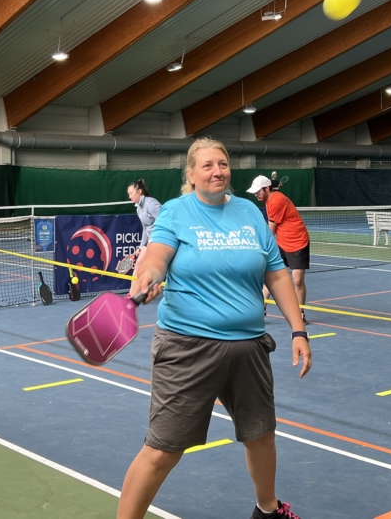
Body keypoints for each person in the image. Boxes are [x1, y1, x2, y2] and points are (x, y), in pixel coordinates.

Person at [118, 138, 310, 519]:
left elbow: (276, 273)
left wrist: (299, 330)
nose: (216, 171)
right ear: (190, 173)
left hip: (249, 347)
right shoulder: (175, 212)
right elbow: (155, 259)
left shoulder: (250, 213)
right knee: (163, 448)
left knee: (260, 435)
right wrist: (148, 277)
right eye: (206, 165)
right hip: (188, 348)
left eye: (222, 164)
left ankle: (267, 511)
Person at [247, 175, 310, 324]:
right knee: (270, 275)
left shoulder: (276, 200)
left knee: (297, 280)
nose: (256, 194)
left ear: (267, 189)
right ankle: (260, 310)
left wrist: (259, 246)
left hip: (298, 241)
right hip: (282, 241)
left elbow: (271, 230)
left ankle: (300, 312)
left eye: (258, 191)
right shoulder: (269, 199)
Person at [127, 179, 162, 279]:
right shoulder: (139, 209)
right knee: (139, 265)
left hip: (159, 241)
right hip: (151, 241)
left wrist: (152, 240)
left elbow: (164, 222)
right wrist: (141, 246)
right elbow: (145, 228)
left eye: (131, 193)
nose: (130, 197)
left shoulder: (151, 204)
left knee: (158, 268)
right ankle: (133, 293)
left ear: (139, 191)